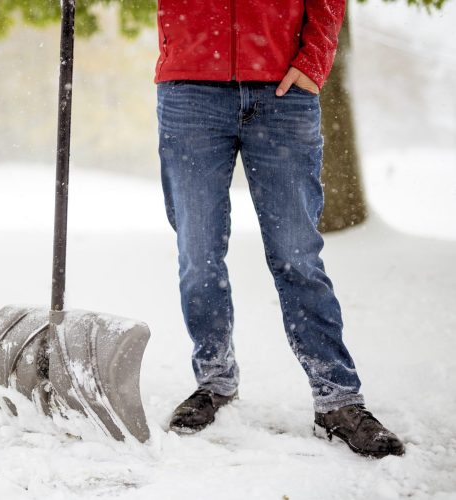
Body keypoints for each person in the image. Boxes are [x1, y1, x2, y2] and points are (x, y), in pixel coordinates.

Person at [154, 0, 405, 458]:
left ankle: (337, 400)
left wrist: (313, 61)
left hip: (282, 91)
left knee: (297, 257)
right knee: (198, 253)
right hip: (190, 92)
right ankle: (214, 383)